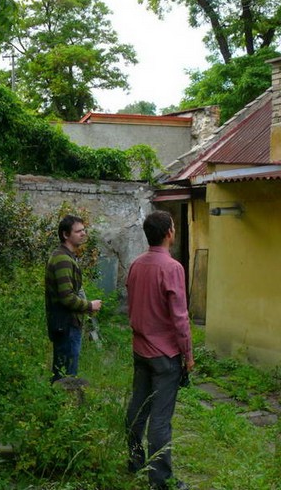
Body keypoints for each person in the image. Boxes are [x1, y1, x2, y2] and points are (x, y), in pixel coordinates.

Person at [125, 210, 194, 490]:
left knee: (137, 408)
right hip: (165, 355)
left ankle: (134, 460)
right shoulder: (172, 268)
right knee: (160, 419)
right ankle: (161, 480)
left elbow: (132, 302)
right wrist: (188, 355)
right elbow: (180, 317)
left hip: (140, 349)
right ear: (169, 233)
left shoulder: (136, 265)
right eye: (174, 227)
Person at [44, 214, 102, 383]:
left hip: (65, 324)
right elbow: (67, 297)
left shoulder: (66, 256)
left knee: (61, 372)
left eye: (84, 230)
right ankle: (63, 406)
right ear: (65, 235)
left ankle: (58, 403)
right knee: (66, 377)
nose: (83, 234)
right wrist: (90, 305)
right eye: (78, 231)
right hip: (66, 324)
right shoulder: (62, 259)